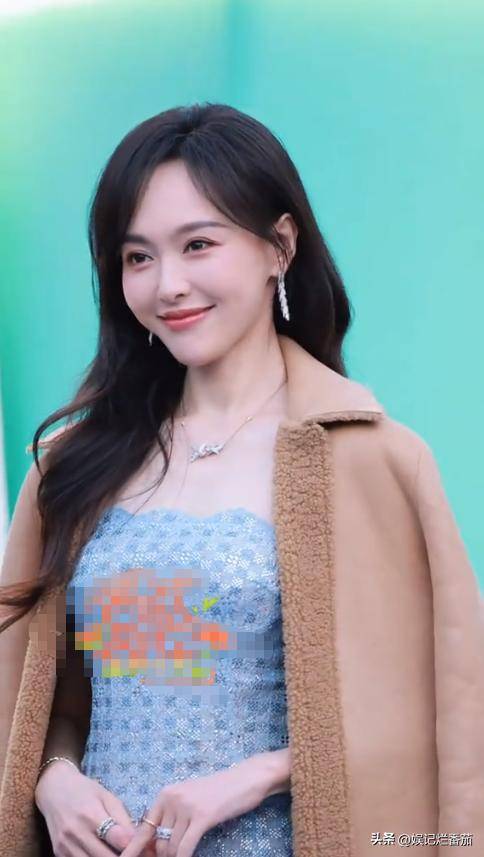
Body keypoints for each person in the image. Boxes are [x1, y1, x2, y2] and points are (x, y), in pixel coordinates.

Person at [0, 102, 483, 857]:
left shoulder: (374, 463)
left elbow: (431, 716)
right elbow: (52, 704)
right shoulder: (72, 469)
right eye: (137, 257)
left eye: (198, 244)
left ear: (278, 247)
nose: (168, 285)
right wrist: (53, 778)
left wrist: (258, 775)